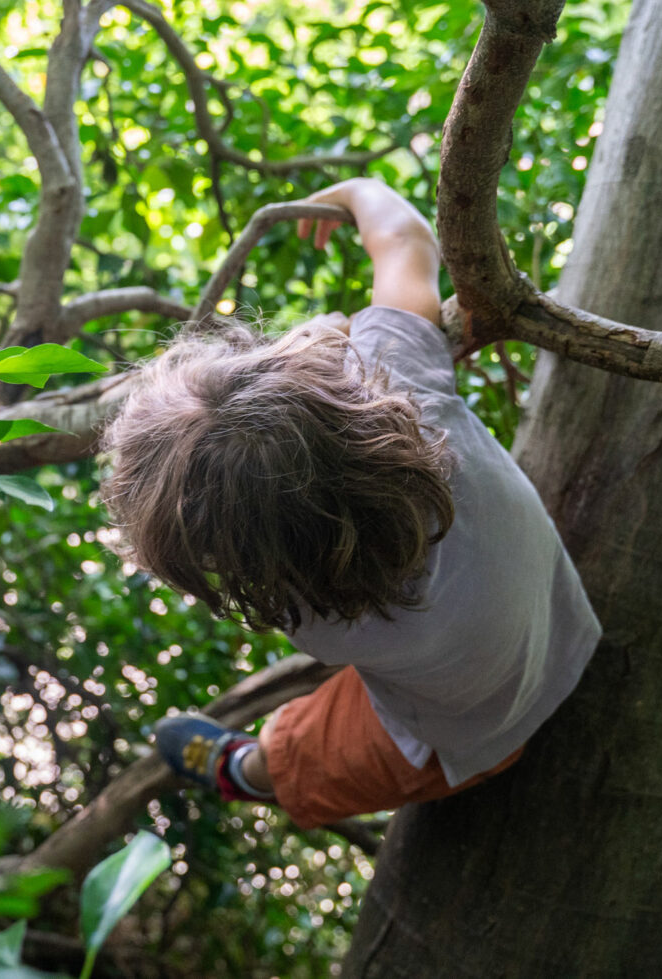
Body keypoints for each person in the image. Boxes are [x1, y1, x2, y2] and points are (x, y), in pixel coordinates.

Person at [102, 178, 602, 830]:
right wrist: (353, 196)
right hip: (560, 621)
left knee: (305, 750)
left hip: (482, 734)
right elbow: (404, 240)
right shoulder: (402, 382)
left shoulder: (314, 621)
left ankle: (238, 768)